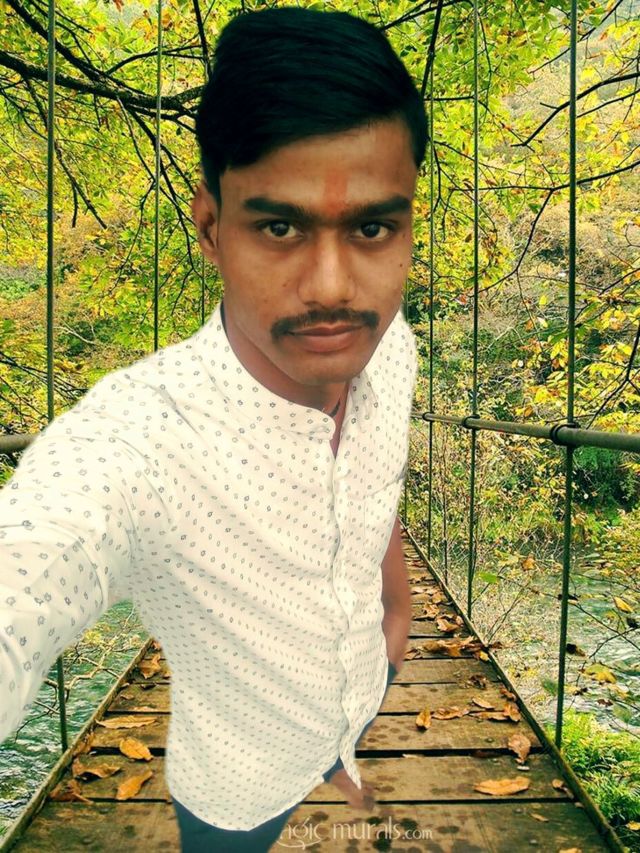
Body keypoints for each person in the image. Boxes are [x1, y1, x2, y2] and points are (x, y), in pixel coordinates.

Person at [0, 6, 426, 851]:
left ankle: (340, 753)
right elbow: (32, 566)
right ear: (209, 227)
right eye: (280, 226)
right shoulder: (135, 443)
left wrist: (395, 603)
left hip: (363, 683)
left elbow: (371, 477)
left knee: (341, 741)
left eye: (372, 227)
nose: (333, 287)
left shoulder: (396, 346)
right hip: (239, 776)